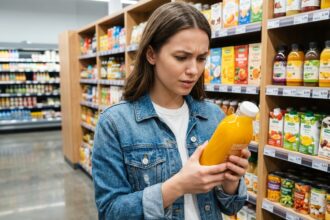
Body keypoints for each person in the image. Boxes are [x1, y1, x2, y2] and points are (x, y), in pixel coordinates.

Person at [92, 2, 250, 220]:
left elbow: (231, 207)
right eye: (181, 57)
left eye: (201, 58)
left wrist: (230, 181)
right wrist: (176, 186)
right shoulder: (116, 123)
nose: (194, 70)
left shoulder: (213, 117)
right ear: (151, 55)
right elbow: (110, 212)